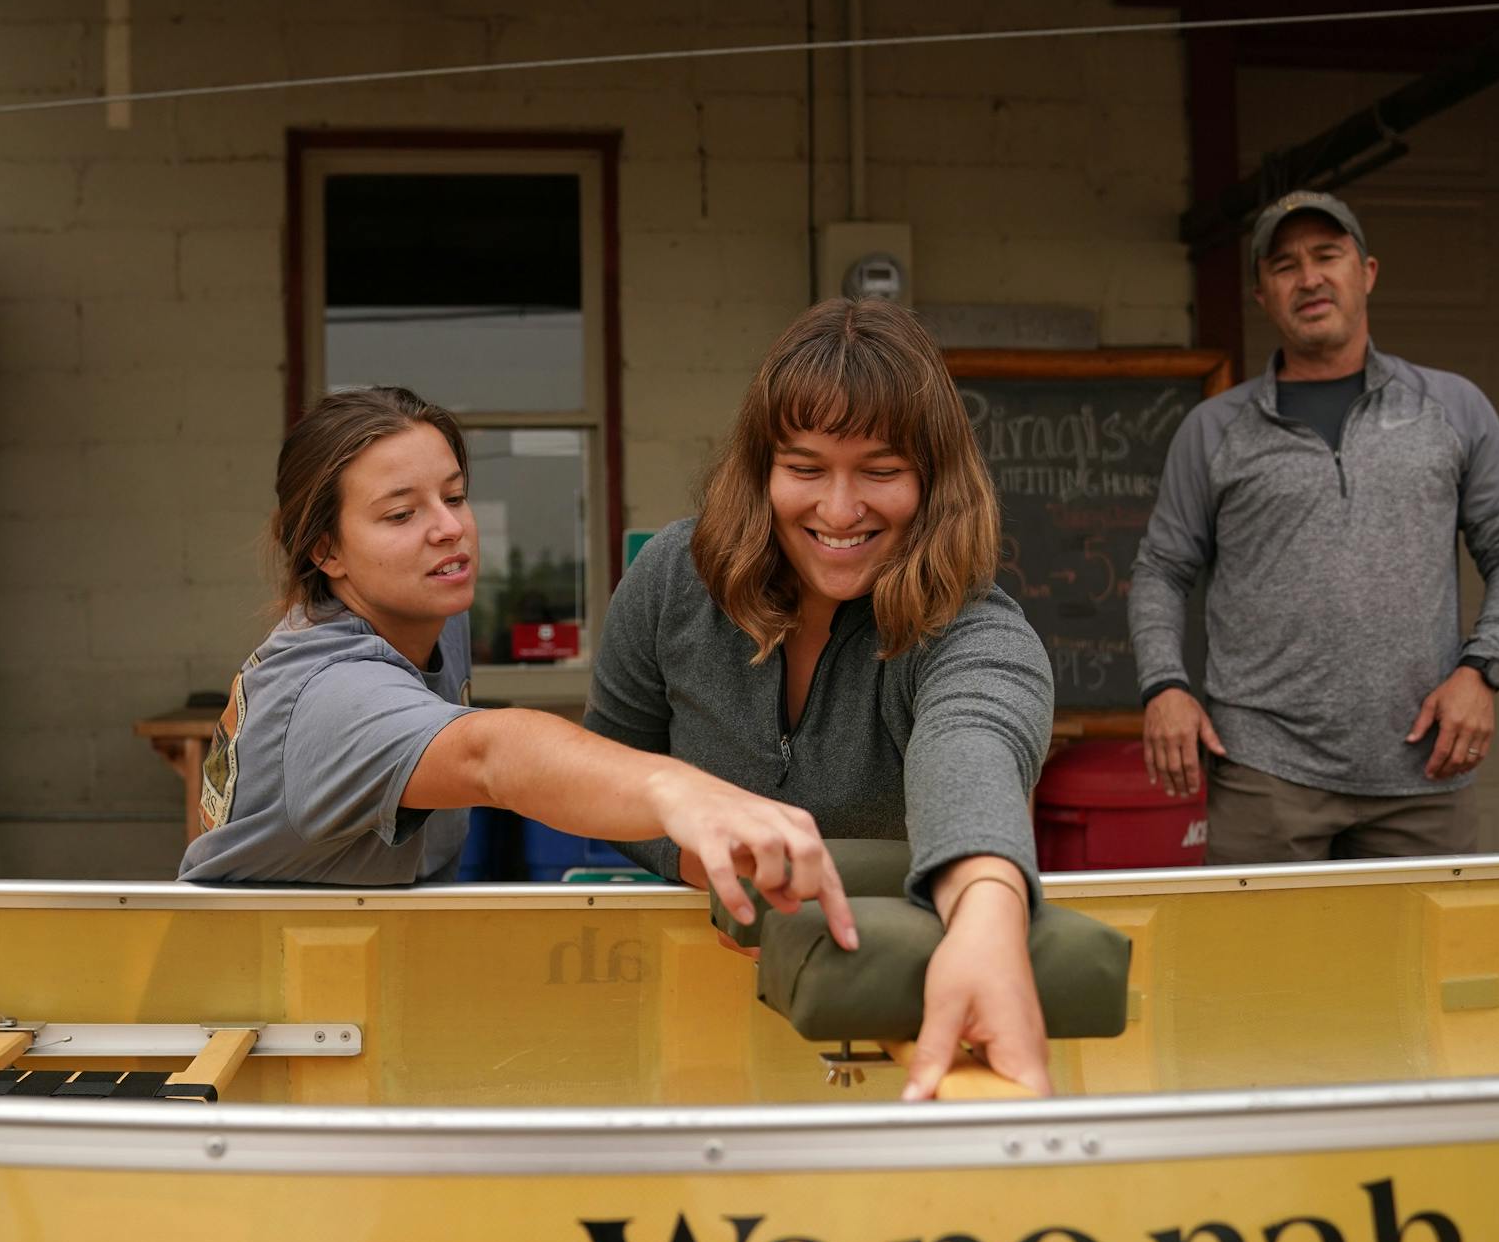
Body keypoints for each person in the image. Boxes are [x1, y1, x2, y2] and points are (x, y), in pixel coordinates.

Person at [584, 298, 1060, 1100]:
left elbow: (972, 747)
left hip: (895, 1021)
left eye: (880, 471)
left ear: (935, 480)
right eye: (805, 469)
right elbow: (605, 766)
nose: (839, 511)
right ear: (761, 469)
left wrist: (986, 916)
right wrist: (692, 854)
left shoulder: (973, 631)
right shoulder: (670, 579)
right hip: (693, 1008)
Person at [178, 385, 856, 947]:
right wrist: (679, 792)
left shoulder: (428, 611)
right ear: (326, 551)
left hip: (353, 970)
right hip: (256, 1000)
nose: (448, 527)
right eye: (400, 514)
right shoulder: (331, 695)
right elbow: (488, 754)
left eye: (454, 494)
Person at [1129, 190, 1499, 863]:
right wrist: (1165, 687)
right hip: (1264, 774)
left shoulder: (1453, 407)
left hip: (1424, 770)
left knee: (1425, 970)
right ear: (1263, 295)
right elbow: (1162, 569)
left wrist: (1482, 671)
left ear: (1368, 272)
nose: (1310, 277)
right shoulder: (1213, 430)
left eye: (1328, 256)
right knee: (1265, 966)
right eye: (1285, 265)